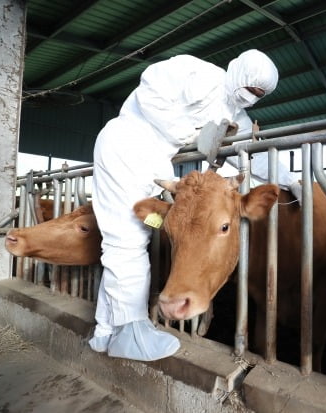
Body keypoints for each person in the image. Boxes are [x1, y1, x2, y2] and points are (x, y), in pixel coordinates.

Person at [89, 49, 300, 361]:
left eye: (258, 95)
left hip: (155, 162)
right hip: (128, 143)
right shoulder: (198, 73)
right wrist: (192, 134)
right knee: (127, 243)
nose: (250, 98)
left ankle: (105, 331)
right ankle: (131, 332)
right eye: (250, 89)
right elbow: (150, 91)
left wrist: (290, 179)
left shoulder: (237, 118)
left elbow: (252, 154)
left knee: (124, 242)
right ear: (239, 74)